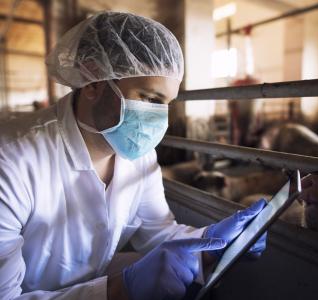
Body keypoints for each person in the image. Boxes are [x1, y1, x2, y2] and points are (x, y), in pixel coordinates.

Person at [0, 11, 267, 300]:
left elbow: (157, 231)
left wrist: (212, 242)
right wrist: (118, 290)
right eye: (150, 99)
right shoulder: (12, 159)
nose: (159, 119)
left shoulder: (138, 153)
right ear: (93, 81)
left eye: (166, 104)